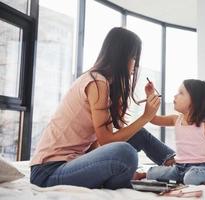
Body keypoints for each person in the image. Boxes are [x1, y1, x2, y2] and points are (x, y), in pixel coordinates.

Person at [30, 27, 175, 189]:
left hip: (74, 161)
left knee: (138, 135)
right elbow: (107, 140)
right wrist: (146, 117)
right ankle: (124, 177)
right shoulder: (97, 82)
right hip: (48, 171)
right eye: (134, 58)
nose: (135, 65)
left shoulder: (104, 83)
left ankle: (179, 166)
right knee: (125, 152)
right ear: (122, 56)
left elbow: (101, 142)